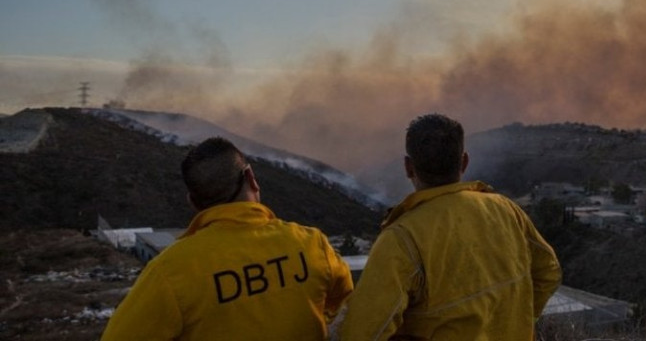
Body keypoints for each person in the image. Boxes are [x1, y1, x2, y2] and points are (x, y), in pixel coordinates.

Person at [101, 137, 352, 341]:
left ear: (193, 202)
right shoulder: (311, 244)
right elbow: (343, 301)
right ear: (251, 178)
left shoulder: (171, 272)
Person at [341, 113, 561, 341]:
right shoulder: (505, 210)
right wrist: (523, 320)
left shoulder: (401, 238)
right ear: (464, 162)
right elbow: (549, 272)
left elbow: (362, 333)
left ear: (408, 167)